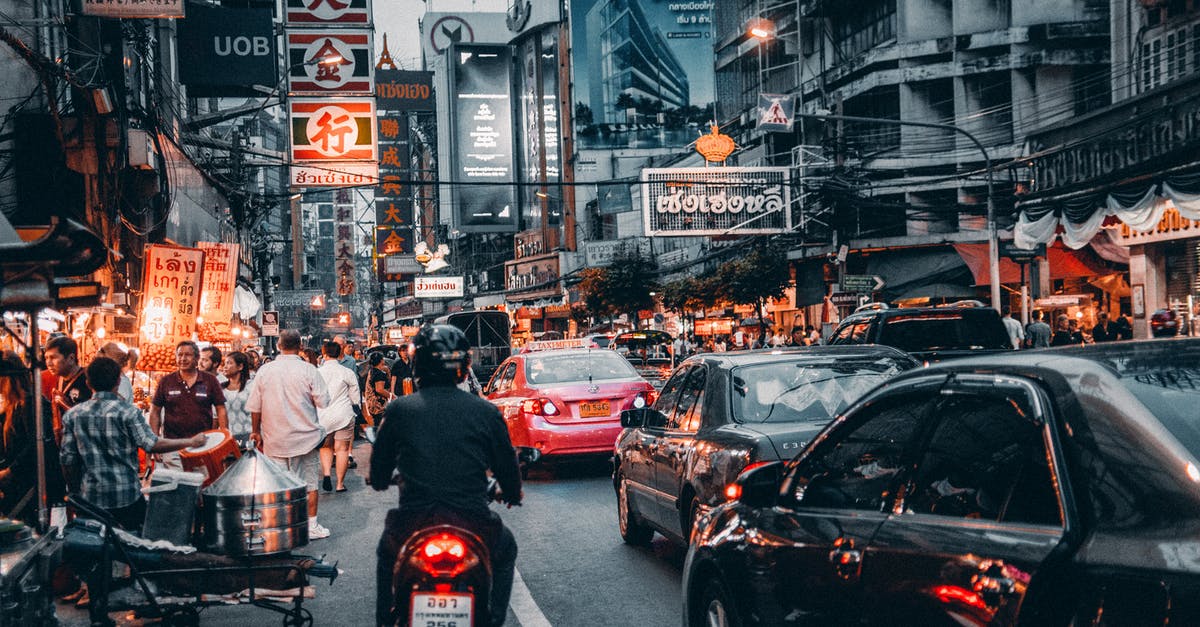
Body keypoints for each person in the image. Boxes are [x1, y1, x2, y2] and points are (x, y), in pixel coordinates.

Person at [369, 325, 521, 627]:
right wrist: (513, 494)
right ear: (464, 368)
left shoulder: (399, 410)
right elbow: (507, 468)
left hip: (412, 522)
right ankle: (493, 621)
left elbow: (378, 473)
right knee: (507, 548)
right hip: (474, 520)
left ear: (417, 365)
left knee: (386, 556)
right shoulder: (485, 411)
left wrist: (382, 479)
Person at [59, 357, 205, 627]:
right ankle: (146, 601)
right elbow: (151, 444)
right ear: (118, 381)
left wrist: (75, 489)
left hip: (91, 499)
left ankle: (99, 615)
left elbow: (67, 459)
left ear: (88, 382)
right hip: (127, 496)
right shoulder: (127, 412)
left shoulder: (74, 414)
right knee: (142, 548)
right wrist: (190, 441)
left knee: (96, 556)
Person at [246, 329, 331, 539]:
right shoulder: (309, 370)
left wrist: (255, 431)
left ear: (278, 346)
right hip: (306, 438)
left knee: (277, 484)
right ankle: (311, 526)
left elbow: (255, 406)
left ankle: (281, 525)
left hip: (275, 438)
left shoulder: (265, 371)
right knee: (310, 484)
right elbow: (324, 401)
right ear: (300, 346)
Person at [0, 351, 64, 525]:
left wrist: (9, 471)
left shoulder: (32, 404)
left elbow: (36, 444)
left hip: (32, 484)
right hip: (18, 481)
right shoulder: (10, 405)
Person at [148, 341, 227, 469]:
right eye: (180, 355)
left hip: (203, 444)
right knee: (178, 486)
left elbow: (221, 409)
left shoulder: (210, 380)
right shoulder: (166, 381)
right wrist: (155, 442)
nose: (183, 359)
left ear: (196, 358)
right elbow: (155, 411)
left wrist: (223, 440)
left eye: (188, 355)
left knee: (202, 484)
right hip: (172, 446)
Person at [317, 341, 359, 493]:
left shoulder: (317, 372)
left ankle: (327, 474)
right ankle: (340, 484)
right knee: (342, 450)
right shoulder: (347, 372)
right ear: (339, 354)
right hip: (343, 415)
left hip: (323, 415)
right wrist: (356, 409)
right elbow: (355, 397)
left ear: (324, 353)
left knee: (325, 447)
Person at [45, 335, 91, 443]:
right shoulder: (59, 379)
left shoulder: (88, 379)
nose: (48, 363)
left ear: (71, 358)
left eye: (53, 357)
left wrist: (66, 405)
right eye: (46, 358)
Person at [221, 351, 255, 446]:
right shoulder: (221, 389)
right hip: (228, 437)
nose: (225, 366)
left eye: (229, 363)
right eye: (225, 363)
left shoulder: (251, 386)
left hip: (248, 435)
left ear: (240, 367)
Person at [362, 352, 392, 427]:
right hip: (378, 405)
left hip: (371, 403)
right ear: (381, 360)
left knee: (377, 424)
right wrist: (392, 396)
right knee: (381, 425)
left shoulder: (372, 371)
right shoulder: (379, 374)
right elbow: (379, 390)